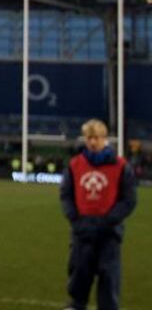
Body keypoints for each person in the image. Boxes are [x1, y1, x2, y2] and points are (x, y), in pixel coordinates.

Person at [59, 119, 138, 310]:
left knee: (109, 278)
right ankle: (76, 305)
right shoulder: (75, 165)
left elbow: (129, 200)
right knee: (79, 274)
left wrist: (109, 221)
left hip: (109, 234)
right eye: (89, 138)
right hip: (81, 232)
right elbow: (66, 195)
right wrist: (76, 221)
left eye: (96, 138)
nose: (92, 142)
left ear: (105, 139)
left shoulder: (120, 166)